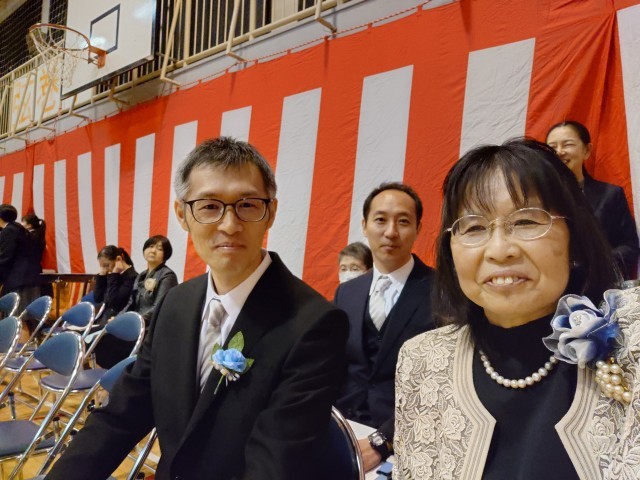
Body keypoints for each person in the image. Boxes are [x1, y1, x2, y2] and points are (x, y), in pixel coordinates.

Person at [46, 137, 349, 480]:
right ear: (183, 214)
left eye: (248, 205)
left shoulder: (314, 324)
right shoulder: (176, 303)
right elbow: (123, 414)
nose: (229, 225)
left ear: (271, 213)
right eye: (209, 206)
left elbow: (274, 464)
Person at [393, 139, 626, 479]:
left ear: (574, 238)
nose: (500, 250)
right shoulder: (422, 360)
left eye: (527, 222)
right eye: (474, 227)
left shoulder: (630, 338)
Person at [334, 182, 435, 472]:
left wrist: (384, 440)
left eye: (403, 221)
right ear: (364, 225)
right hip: (343, 430)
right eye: (380, 220)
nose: (391, 232)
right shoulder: (347, 293)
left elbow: (440, 381)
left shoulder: (442, 293)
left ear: (418, 228)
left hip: (409, 441)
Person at [546, 120, 639, 279]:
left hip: (599, 283)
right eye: (552, 147)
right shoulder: (537, 197)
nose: (559, 152)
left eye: (567, 144)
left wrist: (598, 263)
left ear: (587, 150)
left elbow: (630, 246)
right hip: (550, 284)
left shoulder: (610, 195)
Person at [95, 236, 180, 369]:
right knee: (104, 338)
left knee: (111, 342)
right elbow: (131, 303)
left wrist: (134, 322)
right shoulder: (141, 275)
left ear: (165, 255)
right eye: (150, 246)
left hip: (151, 328)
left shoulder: (167, 276)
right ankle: (112, 376)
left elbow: (159, 307)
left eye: (159, 249)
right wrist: (119, 319)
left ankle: (121, 375)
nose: (153, 251)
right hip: (137, 324)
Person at [0, 204, 43, 315]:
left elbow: (4, 257)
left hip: (18, 280)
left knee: (16, 317)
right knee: (26, 317)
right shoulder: (20, 229)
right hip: (29, 278)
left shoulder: (9, 231)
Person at [92, 245, 137, 324]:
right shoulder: (112, 276)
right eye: (102, 266)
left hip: (118, 319)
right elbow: (97, 298)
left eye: (106, 265)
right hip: (104, 318)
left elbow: (115, 303)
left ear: (118, 259)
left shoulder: (132, 277)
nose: (105, 269)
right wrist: (102, 274)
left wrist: (114, 274)